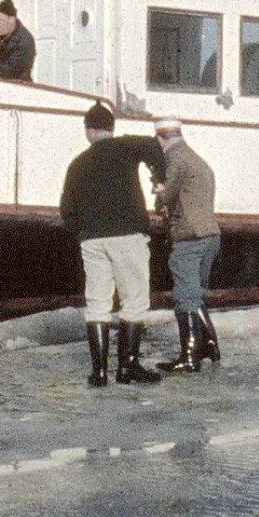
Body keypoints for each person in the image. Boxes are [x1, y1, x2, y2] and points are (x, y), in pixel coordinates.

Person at [60, 102, 165, 387]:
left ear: (88, 130)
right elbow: (155, 146)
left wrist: (84, 232)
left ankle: (99, 372)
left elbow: (67, 211)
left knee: (97, 302)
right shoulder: (127, 147)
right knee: (134, 300)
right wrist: (160, 179)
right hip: (128, 234)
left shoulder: (77, 164)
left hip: (93, 240)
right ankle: (128, 367)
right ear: (111, 127)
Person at [151, 119, 221, 375]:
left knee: (185, 297)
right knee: (196, 293)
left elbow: (168, 195)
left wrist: (159, 190)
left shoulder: (176, 159)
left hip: (189, 236)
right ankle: (209, 345)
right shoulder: (198, 160)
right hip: (210, 234)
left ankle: (189, 357)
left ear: (161, 138)